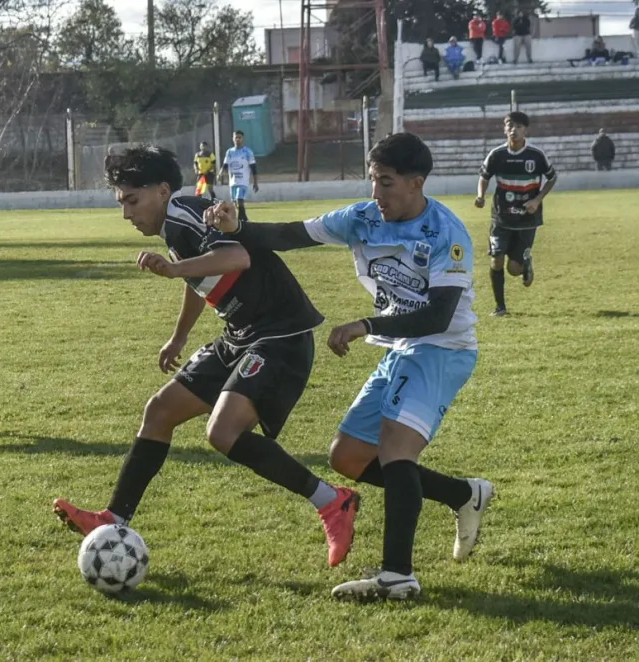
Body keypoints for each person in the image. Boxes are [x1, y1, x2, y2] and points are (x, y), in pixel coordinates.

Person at [206, 132, 491, 601]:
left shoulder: (446, 232)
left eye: (387, 183)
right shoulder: (362, 218)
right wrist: (240, 226)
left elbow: (438, 315)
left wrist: (364, 323)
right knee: (348, 457)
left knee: (397, 451)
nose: (376, 193)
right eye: (373, 180)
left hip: (443, 349)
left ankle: (397, 576)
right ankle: (463, 494)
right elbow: (293, 234)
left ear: (418, 183)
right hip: (399, 348)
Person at [53, 145, 360, 568]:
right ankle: (114, 516)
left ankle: (333, 502)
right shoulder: (173, 220)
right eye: (120, 202)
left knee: (223, 433)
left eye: (131, 200)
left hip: (279, 335)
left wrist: (175, 268)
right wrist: (178, 337)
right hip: (242, 334)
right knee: (160, 412)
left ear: (162, 191)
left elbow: (239, 255)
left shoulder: (183, 212)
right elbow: (202, 270)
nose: (126, 213)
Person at [475, 111, 557, 317]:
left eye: (519, 126)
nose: (514, 130)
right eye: (510, 126)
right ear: (505, 129)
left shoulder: (536, 155)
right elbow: (484, 176)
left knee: (513, 269)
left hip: (527, 219)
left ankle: (525, 264)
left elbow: (552, 178)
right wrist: (481, 195)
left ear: (526, 130)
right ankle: (500, 307)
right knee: (496, 260)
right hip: (501, 217)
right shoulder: (496, 155)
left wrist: (537, 200)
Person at [218, 131, 259, 222]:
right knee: (236, 203)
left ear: (242, 139)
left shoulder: (247, 152)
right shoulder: (229, 152)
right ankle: (244, 219)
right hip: (233, 181)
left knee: (239, 200)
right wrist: (220, 174)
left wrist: (255, 183)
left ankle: (241, 221)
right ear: (233, 139)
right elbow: (225, 165)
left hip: (243, 181)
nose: (237, 139)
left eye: (239, 137)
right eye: (236, 137)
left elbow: (253, 167)